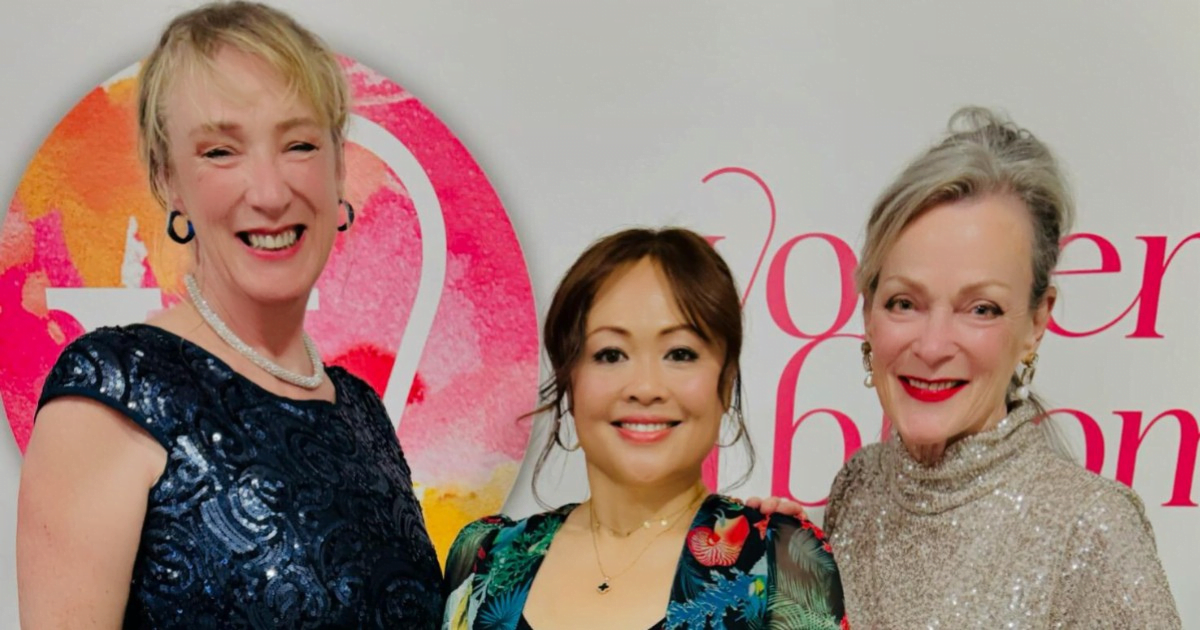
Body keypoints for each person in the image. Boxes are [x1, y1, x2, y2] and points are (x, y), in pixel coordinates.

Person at [16, 3, 443, 627]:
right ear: (169, 180)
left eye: (299, 144)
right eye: (221, 151)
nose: (269, 193)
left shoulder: (361, 412)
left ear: (337, 168)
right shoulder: (114, 390)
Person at [824, 107, 1181, 627]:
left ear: (1036, 322)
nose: (932, 344)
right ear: (867, 309)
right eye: (904, 302)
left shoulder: (1090, 527)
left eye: (981, 309)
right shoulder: (857, 488)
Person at [443, 228, 847, 630]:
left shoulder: (779, 561)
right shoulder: (485, 558)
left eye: (680, 353)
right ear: (570, 380)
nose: (645, 388)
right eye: (611, 354)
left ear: (725, 382)